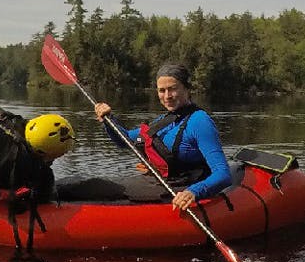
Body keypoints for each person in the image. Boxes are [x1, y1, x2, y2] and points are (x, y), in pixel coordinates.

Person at [93, 63, 231, 211]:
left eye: (172, 89)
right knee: (89, 185)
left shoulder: (200, 121)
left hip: (180, 188)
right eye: (162, 90)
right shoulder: (163, 121)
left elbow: (223, 174)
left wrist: (193, 192)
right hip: (158, 183)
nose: (167, 96)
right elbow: (124, 140)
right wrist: (108, 120)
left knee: (91, 188)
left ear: (186, 88)